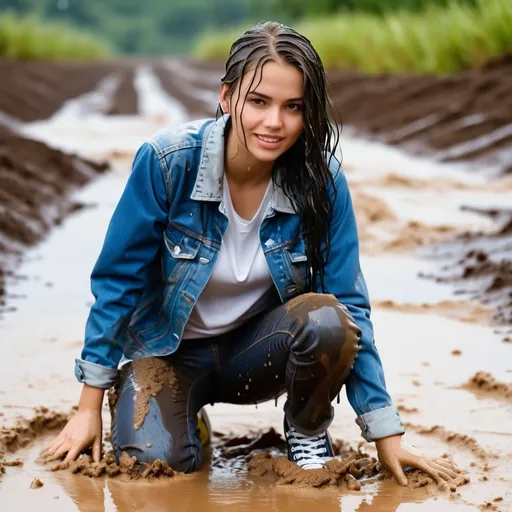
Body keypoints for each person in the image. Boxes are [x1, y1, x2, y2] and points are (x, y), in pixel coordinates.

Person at [44, 21, 463, 488]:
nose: (274, 123)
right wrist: (87, 407)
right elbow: (116, 283)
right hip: (170, 354)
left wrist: (387, 434)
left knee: (328, 319)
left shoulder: (322, 183)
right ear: (227, 97)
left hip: (257, 354)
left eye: (293, 107)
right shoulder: (167, 163)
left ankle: (305, 432)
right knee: (149, 468)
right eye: (259, 101)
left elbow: (351, 304)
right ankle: (186, 424)